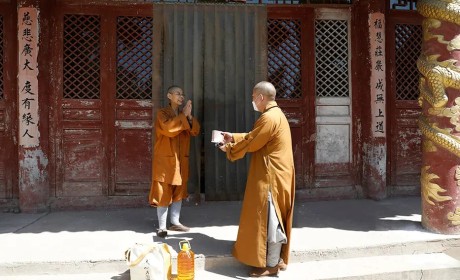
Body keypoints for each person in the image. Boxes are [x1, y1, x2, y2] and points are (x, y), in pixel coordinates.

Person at [219, 81, 295, 277]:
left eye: (253, 97)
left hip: (271, 176)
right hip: (277, 173)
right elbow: (255, 136)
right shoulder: (275, 115)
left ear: (261, 97)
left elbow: (252, 143)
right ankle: (275, 259)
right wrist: (233, 137)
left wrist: (229, 149)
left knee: (271, 218)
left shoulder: (269, 118)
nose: (252, 101)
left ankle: (271, 265)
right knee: (273, 217)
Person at [149, 85, 200, 238]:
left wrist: (189, 117)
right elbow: (168, 129)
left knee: (179, 190)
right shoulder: (162, 113)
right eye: (177, 93)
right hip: (166, 159)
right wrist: (183, 116)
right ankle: (162, 227)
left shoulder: (184, 114)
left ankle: (175, 222)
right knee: (163, 190)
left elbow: (195, 130)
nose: (181, 96)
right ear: (169, 96)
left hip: (180, 159)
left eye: (182, 94)